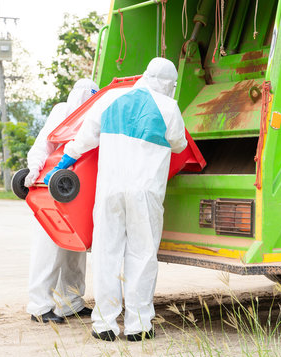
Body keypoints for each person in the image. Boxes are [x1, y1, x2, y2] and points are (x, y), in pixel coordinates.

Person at [45, 58, 187, 341]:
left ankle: (104, 324)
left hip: (108, 191)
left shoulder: (111, 97)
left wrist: (64, 163)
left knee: (106, 254)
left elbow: (85, 137)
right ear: (169, 85)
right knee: (142, 255)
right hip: (144, 194)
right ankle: (138, 325)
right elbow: (179, 144)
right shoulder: (168, 107)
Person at [25, 79, 99, 324]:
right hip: (52, 188)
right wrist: (34, 170)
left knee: (75, 250)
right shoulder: (62, 111)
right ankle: (39, 306)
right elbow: (42, 145)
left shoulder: (93, 115)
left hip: (76, 190)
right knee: (47, 251)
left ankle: (71, 303)